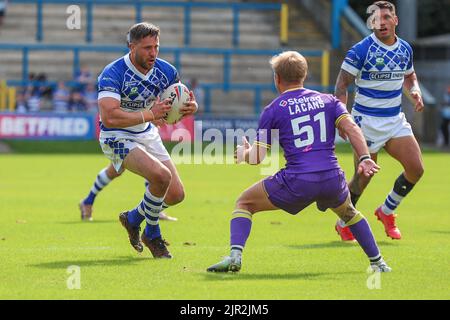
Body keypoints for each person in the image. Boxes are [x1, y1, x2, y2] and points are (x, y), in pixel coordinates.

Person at [207, 51, 391, 273]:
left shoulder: (273, 109)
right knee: (349, 213)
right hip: (331, 177)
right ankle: (378, 263)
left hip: (298, 180)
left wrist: (243, 152)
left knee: (244, 203)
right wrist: (364, 158)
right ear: (304, 75)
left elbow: (257, 158)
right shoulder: (329, 101)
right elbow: (352, 128)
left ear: (277, 78)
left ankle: (235, 256)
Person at [96, 22, 197, 258]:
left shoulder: (166, 71)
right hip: (116, 136)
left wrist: (191, 107)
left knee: (175, 195)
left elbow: (177, 102)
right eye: (147, 48)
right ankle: (152, 234)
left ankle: (132, 218)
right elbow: (109, 117)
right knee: (161, 176)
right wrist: (150, 114)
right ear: (132, 47)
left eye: (156, 47)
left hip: (145, 132)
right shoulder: (113, 73)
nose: (153, 53)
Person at [334, 1, 424, 241]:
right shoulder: (360, 50)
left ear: (395, 20)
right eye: (375, 19)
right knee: (364, 176)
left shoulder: (405, 49)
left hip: (394, 120)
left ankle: (386, 211)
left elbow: (410, 75)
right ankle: (344, 221)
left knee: (416, 169)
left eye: (386, 17)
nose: (381, 22)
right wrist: (342, 118)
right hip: (366, 122)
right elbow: (341, 85)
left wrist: (414, 90)